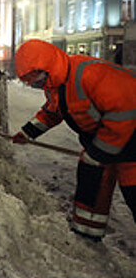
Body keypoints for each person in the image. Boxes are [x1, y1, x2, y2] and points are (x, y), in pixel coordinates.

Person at [13, 39, 135, 241]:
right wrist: (27, 133)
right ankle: (87, 233)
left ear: (47, 66)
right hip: (106, 140)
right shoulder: (56, 84)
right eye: (27, 80)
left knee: (133, 189)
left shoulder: (89, 74)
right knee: (92, 174)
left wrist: (100, 151)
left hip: (131, 140)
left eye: (33, 77)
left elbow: (124, 112)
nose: (32, 83)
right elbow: (52, 112)